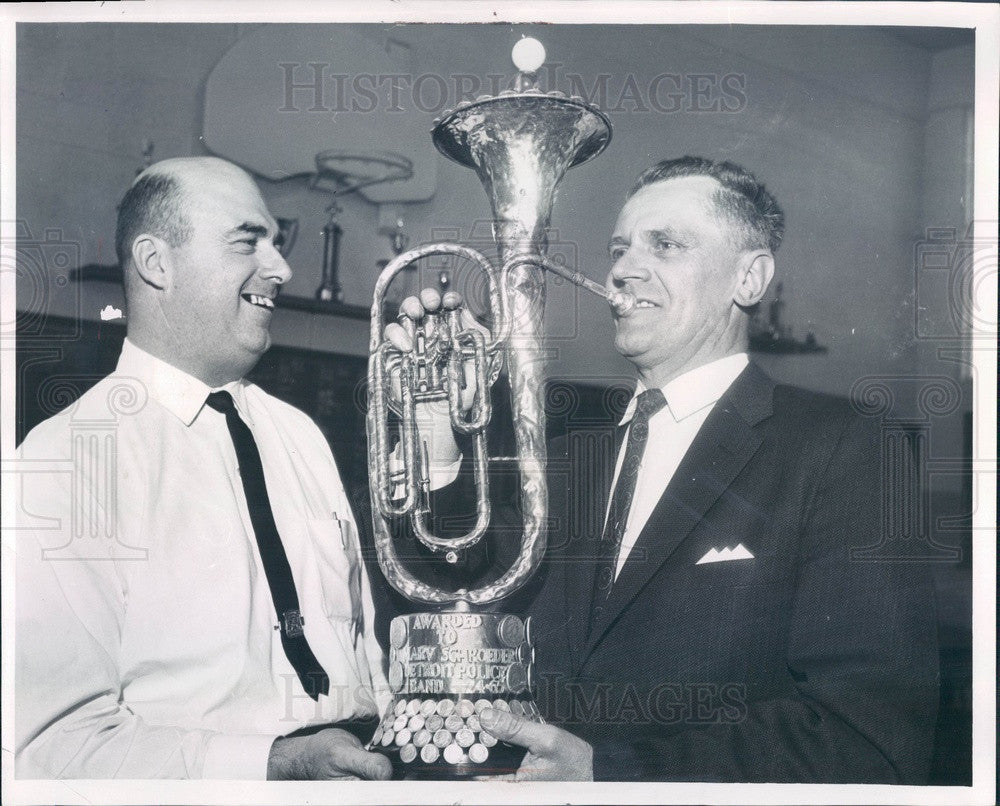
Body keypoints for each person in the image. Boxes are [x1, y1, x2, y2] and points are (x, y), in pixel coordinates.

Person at [387, 156, 939, 782]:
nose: (622, 269)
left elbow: (870, 735)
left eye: (666, 245)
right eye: (618, 249)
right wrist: (436, 442)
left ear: (750, 279)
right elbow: (461, 605)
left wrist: (612, 773)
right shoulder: (567, 458)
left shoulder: (845, 446)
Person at [14, 157, 392, 781]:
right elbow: (49, 754)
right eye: (249, 241)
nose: (281, 268)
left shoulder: (302, 436)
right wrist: (270, 767)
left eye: (277, 242)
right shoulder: (67, 462)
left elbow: (367, 667)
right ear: (156, 263)